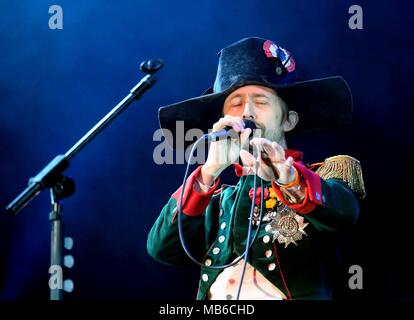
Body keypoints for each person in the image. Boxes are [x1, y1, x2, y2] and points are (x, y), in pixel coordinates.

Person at [147, 37, 366, 300]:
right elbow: (162, 249)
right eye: (236, 103)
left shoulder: (323, 178)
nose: (247, 112)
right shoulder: (217, 201)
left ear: (288, 120)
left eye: (260, 101)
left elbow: (343, 213)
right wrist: (209, 171)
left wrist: (290, 180)